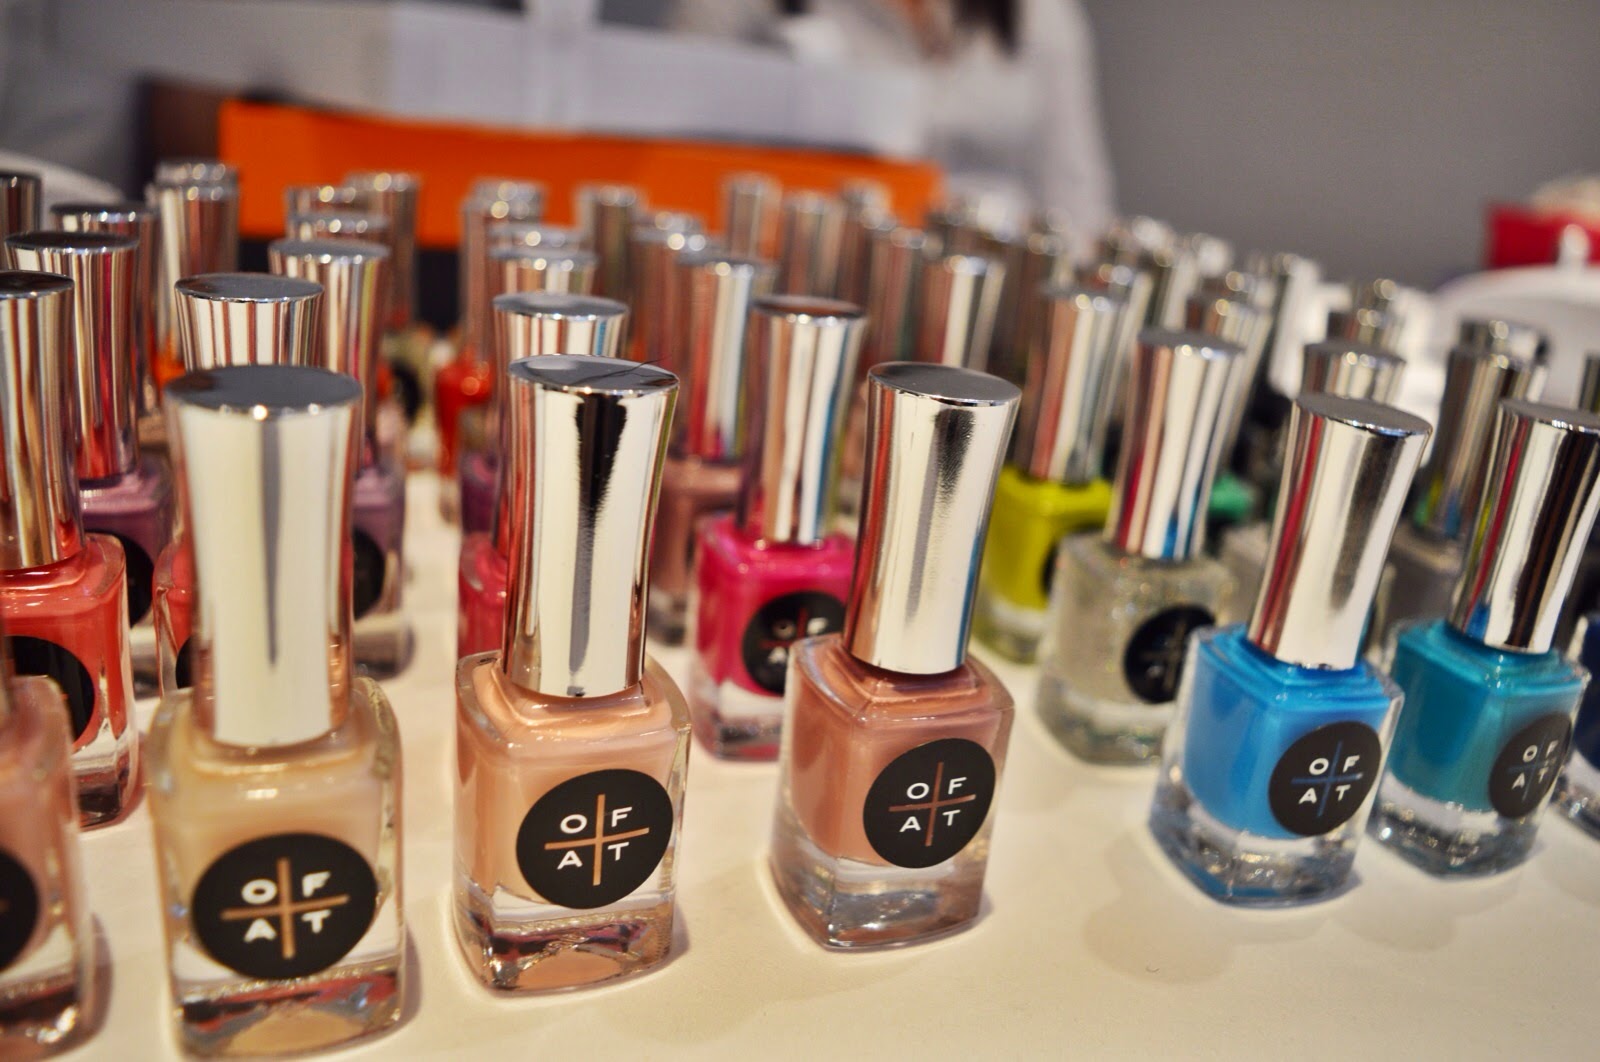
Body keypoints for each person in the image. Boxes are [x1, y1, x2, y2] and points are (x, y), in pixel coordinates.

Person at [670, 0, 1115, 241]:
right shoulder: (748, 10)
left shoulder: (1039, 13)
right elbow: (674, 147)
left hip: (999, 292)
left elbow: (1075, 190)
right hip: (813, 270)